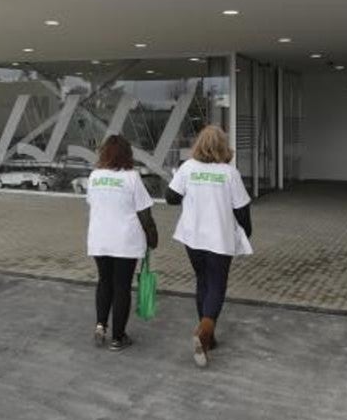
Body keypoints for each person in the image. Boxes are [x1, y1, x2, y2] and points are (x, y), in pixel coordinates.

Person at [166, 125, 252, 368]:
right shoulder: (229, 173)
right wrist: (247, 232)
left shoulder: (188, 168)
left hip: (192, 238)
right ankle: (203, 333)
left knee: (202, 281)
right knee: (216, 285)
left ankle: (209, 337)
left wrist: (191, 192)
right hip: (219, 238)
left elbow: (171, 197)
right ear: (224, 146)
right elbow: (242, 209)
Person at [86, 135, 158, 351]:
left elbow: (92, 202)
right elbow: (144, 213)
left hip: (99, 239)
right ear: (127, 154)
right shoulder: (132, 178)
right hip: (125, 241)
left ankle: (100, 325)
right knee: (121, 287)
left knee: (104, 282)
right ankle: (118, 337)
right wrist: (152, 236)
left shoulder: (94, 176)